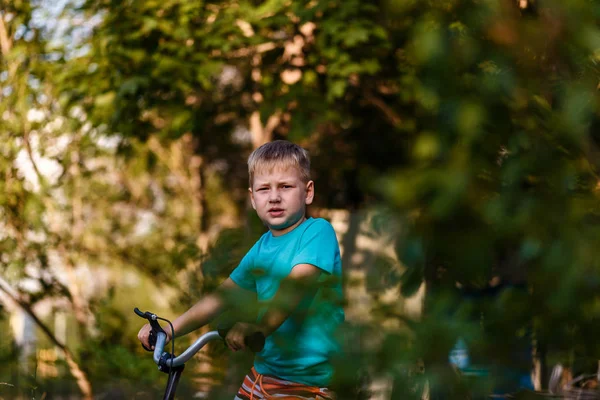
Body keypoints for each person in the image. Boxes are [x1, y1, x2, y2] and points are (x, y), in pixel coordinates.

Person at [138, 140, 345, 399]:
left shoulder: (317, 233)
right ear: (253, 198)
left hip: (309, 385)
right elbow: (222, 297)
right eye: (263, 189)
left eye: (286, 186)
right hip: (263, 377)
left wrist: (257, 327)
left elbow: (294, 288)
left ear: (308, 192)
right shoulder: (261, 248)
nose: (274, 197)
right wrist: (168, 330)